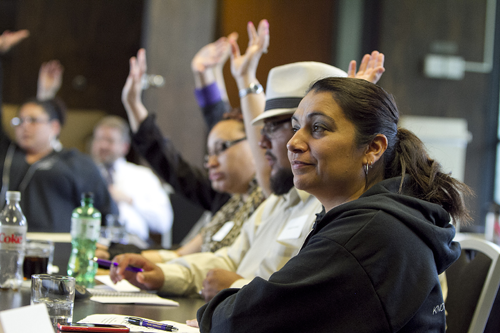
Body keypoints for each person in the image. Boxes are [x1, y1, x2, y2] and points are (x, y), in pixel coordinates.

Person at [111, 20, 386, 302]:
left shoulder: (336, 211)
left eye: (315, 128)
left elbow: (303, 303)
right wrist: (164, 274)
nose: (264, 142)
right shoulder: (277, 201)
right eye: (292, 127)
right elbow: (227, 260)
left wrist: (238, 287)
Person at [195, 77, 471, 332]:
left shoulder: (368, 232)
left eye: (318, 128)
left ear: (373, 148)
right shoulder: (377, 219)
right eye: (294, 128)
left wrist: (219, 306)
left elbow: (238, 320)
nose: (293, 142)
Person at [120, 43, 266, 260]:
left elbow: (221, 122)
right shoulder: (228, 198)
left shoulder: (270, 199)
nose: (211, 162)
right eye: (209, 154)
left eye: (221, 150)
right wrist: (132, 103)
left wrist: (209, 75)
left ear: (259, 144)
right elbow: (171, 165)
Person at [0, 31, 117, 232]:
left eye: (33, 121)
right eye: (20, 121)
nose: (25, 126)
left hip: (56, 249)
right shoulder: (8, 155)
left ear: (54, 127)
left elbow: (107, 213)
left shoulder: (75, 163)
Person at [91, 115, 174, 242]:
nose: (103, 146)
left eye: (110, 141)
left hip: (131, 241)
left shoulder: (142, 176)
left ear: (125, 147)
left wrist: (130, 200)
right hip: (92, 240)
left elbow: (164, 223)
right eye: (99, 140)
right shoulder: (84, 174)